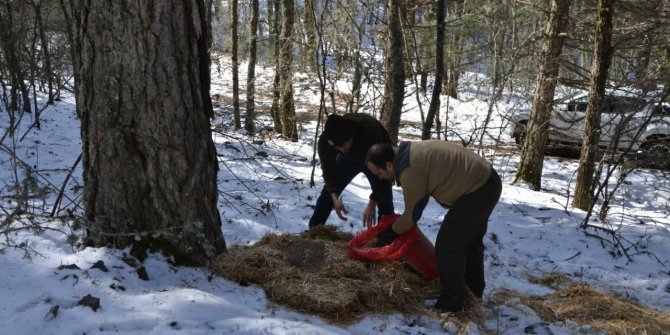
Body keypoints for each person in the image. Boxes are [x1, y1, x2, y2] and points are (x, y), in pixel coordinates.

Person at [365, 140, 502, 313]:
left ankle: (451, 304)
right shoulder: (406, 155)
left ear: (389, 165)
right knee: (469, 242)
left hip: (478, 189)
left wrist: (391, 232)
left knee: (448, 246)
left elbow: (412, 215)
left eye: (378, 174)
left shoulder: (409, 170)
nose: (380, 178)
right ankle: (473, 292)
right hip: (486, 181)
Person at [309, 113, 395, 229]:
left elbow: (386, 174)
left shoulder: (370, 133)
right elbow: (329, 171)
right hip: (347, 160)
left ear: (352, 135)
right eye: (340, 146)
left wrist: (373, 202)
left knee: (384, 200)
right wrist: (334, 196)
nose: (344, 148)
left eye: (346, 143)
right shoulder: (325, 142)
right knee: (328, 194)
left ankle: (387, 237)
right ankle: (313, 232)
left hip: (374, 158)